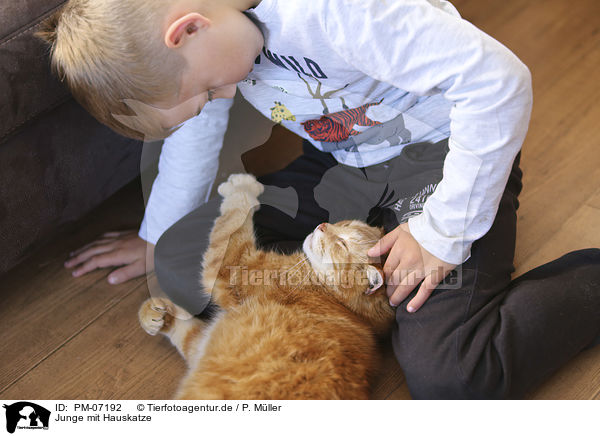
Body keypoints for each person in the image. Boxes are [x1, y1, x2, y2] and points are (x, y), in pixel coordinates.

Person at [42, 0, 599, 399]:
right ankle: (357, 293)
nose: (223, 98)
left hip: (442, 160)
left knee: (453, 376)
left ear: (188, 29)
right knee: (181, 261)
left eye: (211, 90)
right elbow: (196, 131)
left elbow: (500, 82)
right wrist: (153, 235)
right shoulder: (208, 46)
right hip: (343, 167)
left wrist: (442, 235)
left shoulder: (340, 11)